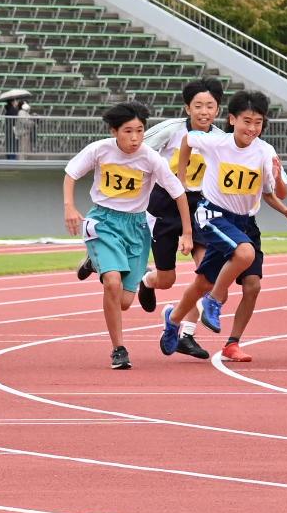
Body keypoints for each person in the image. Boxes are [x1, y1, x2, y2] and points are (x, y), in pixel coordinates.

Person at [161, 89, 287, 364]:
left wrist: (284, 203)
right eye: (247, 121)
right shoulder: (216, 142)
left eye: (258, 123)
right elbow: (187, 139)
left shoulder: (265, 151)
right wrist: (181, 177)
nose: (252, 128)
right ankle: (213, 301)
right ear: (233, 119)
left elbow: (276, 192)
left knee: (250, 285)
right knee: (243, 254)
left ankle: (190, 325)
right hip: (213, 215)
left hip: (245, 222)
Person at [63, 101, 192, 370]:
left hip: (136, 227)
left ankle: (94, 261)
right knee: (111, 283)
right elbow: (71, 173)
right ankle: (118, 349)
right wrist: (70, 207)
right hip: (104, 221)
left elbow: (178, 192)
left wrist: (187, 233)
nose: (135, 138)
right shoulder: (100, 150)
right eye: (128, 131)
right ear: (114, 131)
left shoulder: (150, 158)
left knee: (123, 301)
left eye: (140, 131)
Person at [85, 76, 223, 309]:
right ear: (187, 108)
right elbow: (135, 144)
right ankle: (147, 281)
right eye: (198, 106)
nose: (204, 112)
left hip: (199, 205)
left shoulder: (221, 139)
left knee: (208, 273)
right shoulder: (172, 130)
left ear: (218, 109)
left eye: (210, 106)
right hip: (165, 203)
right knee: (167, 280)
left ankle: (185, 330)